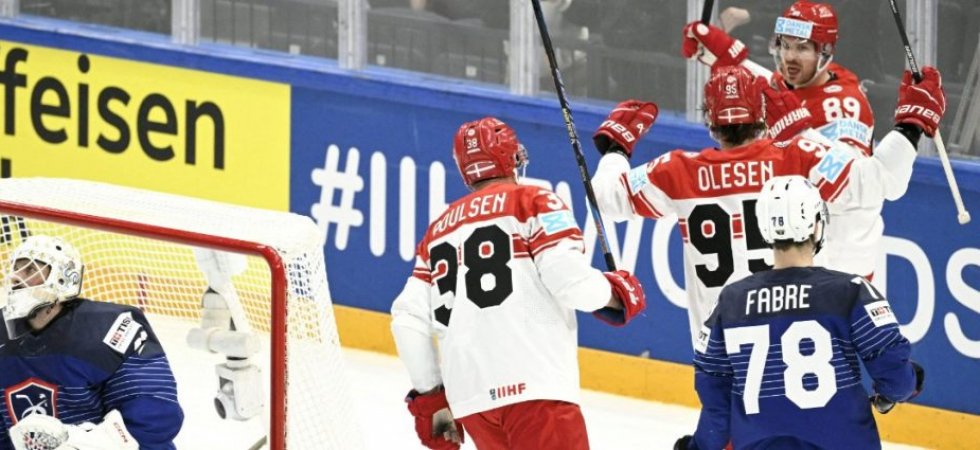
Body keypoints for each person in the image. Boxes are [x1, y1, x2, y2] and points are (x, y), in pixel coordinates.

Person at [590, 62, 944, 349]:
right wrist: (911, 124)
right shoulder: (798, 155)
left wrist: (616, 150)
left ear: (710, 123)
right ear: (762, 116)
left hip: (720, 354)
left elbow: (605, 198)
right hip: (797, 348)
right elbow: (880, 182)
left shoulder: (677, 170)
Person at [391, 117, 647, 449]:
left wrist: (431, 396)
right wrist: (614, 293)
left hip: (473, 401)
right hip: (537, 390)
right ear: (512, 157)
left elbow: (407, 320)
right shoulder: (536, 202)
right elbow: (568, 280)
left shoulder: (438, 231)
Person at [674, 175, 924, 450]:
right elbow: (895, 378)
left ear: (763, 228)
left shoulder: (730, 301)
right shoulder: (850, 292)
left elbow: (715, 406)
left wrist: (696, 447)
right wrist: (904, 385)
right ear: (817, 226)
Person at [681, 1, 900, 280]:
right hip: (801, 252)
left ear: (825, 52)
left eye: (802, 48)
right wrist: (719, 55)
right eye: (784, 45)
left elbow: (854, 186)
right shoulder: (798, 82)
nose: (789, 58)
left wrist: (798, 134)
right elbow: (772, 91)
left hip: (842, 266)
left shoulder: (845, 106)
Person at [0, 235, 183, 450]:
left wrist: (84, 443)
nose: (16, 278)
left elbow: (155, 415)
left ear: (62, 278)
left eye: (30, 270)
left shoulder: (113, 328)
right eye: (16, 269)